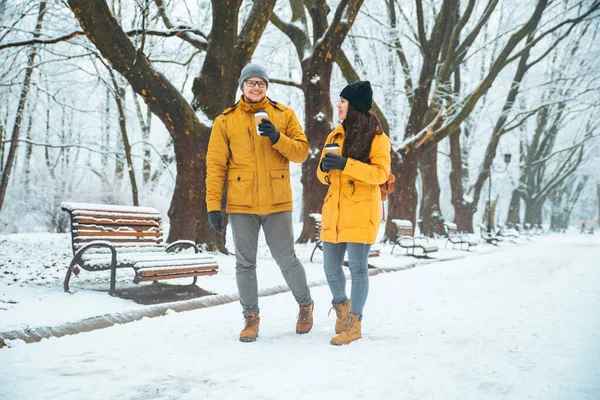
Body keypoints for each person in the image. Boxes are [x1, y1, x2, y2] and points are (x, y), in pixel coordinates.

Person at [205, 63, 314, 342]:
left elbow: (302, 152)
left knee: (286, 258)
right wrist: (213, 205)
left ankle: (305, 305)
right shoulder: (225, 121)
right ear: (242, 86)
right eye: (251, 83)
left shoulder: (283, 114)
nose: (256, 87)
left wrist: (278, 138)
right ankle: (250, 317)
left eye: (261, 83)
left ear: (266, 87)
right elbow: (216, 165)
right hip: (242, 204)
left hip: (277, 201)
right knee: (244, 263)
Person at [316, 81, 391, 345]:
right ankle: (342, 306)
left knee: (358, 269)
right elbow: (321, 175)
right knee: (330, 268)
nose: (338, 105)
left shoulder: (378, 138)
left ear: (355, 107)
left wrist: (346, 164)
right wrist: (326, 168)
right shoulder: (335, 134)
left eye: (343, 101)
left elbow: (380, 173)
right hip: (334, 211)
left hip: (360, 211)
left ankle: (354, 324)